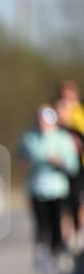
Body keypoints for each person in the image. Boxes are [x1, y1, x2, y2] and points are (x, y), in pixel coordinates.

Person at [17, 105, 79, 274]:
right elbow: (21, 159)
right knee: (41, 224)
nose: (43, 125)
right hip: (37, 188)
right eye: (40, 121)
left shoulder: (63, 138)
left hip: (58, 188)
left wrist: (60, 162)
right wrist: (28, 162)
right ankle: (43, 255)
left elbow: (73, 165)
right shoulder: (28, 137)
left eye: (46, 122)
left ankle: (57, 254)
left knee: (57, 224)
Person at [54, 86, 84, 254]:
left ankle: (79, 233)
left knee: (78, 202)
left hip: (79, 167)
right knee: (64, 205)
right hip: (60, 170)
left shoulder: (80, 117)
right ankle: (67, 238)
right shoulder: (55, 127)